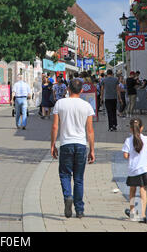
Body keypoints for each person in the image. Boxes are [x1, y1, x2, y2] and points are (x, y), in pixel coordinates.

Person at [51, 79, 95, 219]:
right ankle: (80, 210)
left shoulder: (60, 103)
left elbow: (55, 126)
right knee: (78, 178)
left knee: (64, 174)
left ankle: (67, 196)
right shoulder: (86, 106)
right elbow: (90, 131)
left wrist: (52, 145)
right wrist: (92, 150)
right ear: (82, 90)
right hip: (81, 145)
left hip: (66, 144)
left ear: (68, 89)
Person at [122, 118, 147, 223]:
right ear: (141, 128)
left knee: (132, 190)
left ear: (130, 129)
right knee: (143, 190)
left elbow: (125, 155)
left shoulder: (128, 140)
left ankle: (132, 212)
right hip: (145, 169)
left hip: (133, 169)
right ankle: (143, 214)